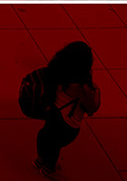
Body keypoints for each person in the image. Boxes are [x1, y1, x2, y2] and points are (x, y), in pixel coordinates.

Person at [35, 41, 101, 176]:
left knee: (45, 135)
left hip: (53, 112)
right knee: (56, 144)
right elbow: (92, 108)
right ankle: (48, 168)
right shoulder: (82, 86)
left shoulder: (56, 69)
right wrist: (98, 91)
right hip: (67, 123)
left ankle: (40, 159)